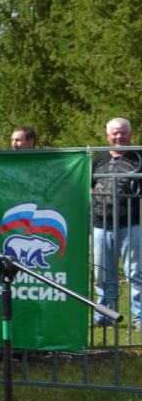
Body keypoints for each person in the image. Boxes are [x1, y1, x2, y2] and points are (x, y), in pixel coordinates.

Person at [92, 117, 141, 327]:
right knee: (102, 274)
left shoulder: (139, 156)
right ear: (107, 136)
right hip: (101, 225)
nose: (119, 136)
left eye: (123, 132)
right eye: (115, 133)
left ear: (131, 134)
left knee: (136, 273)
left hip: (132, 224)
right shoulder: (99, 156)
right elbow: (89, 183)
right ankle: (104, 315)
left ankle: (139, 317)